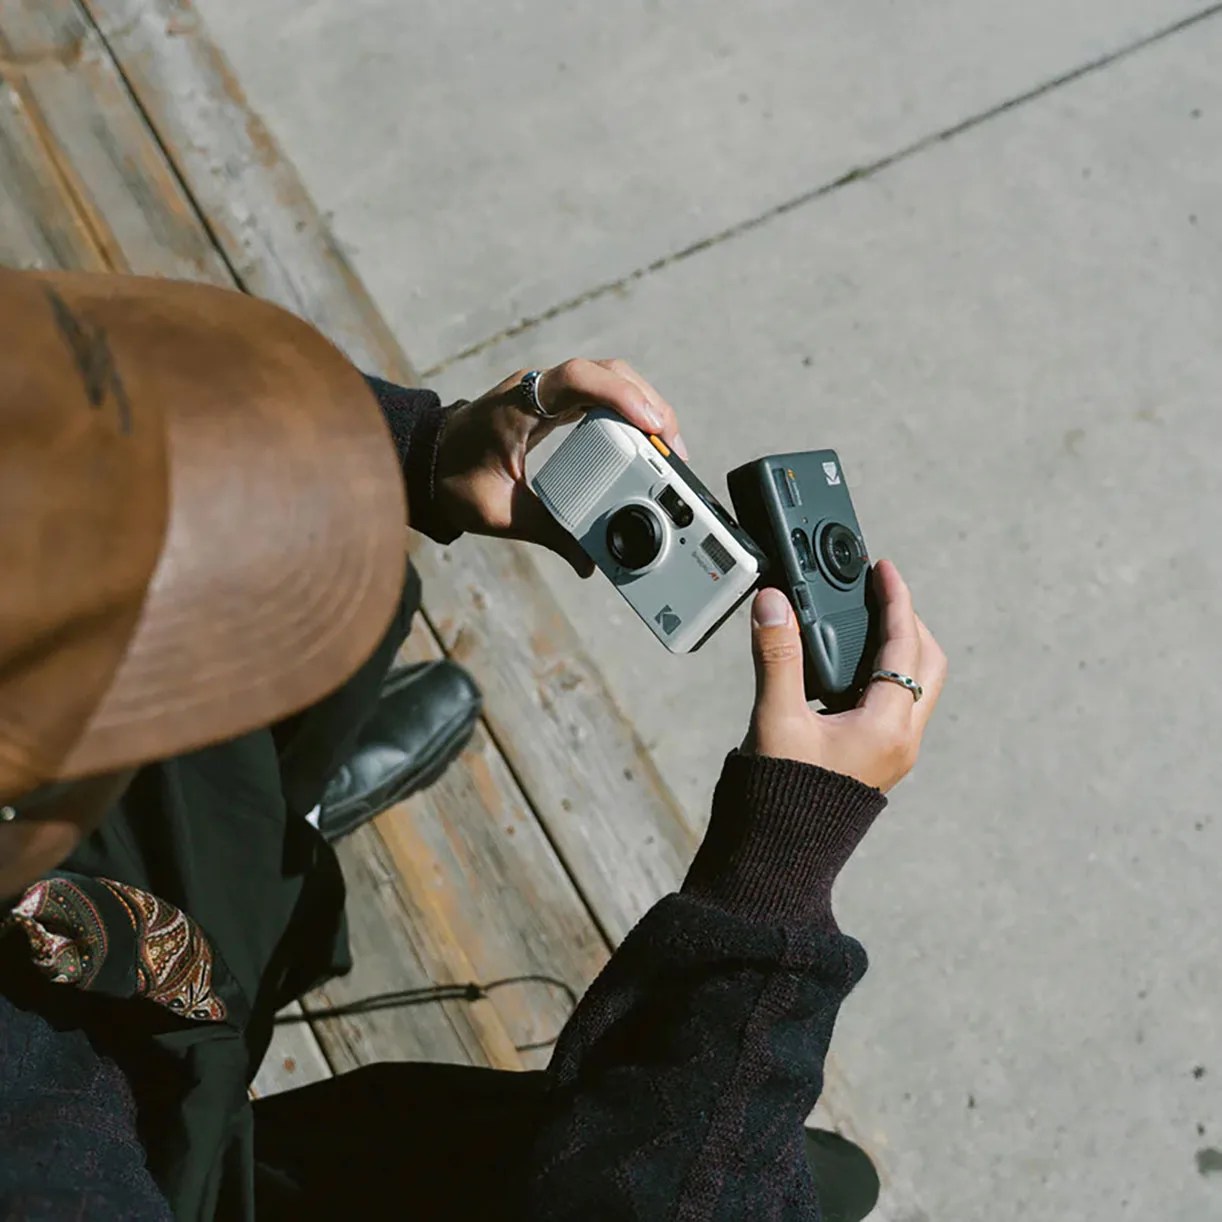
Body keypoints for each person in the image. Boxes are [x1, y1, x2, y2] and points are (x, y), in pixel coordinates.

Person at [0, 267, 946, 1220]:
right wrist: (778, 867)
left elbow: (65, 384)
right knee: (808, 1179)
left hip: (124, 943)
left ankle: (275, 812)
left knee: (264, 742)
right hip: (158, 1141)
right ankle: (269, 814)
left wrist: (417, 451)